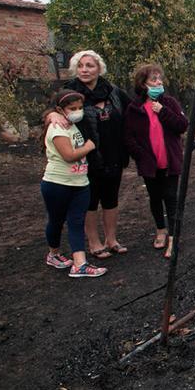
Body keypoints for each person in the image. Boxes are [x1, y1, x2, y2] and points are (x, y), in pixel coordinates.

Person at [46, 50, 131, 259]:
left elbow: (133, 110)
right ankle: (94, 242)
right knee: (90, 201)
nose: (85, 69)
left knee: (111, 199)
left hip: (113, 154)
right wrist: (53, 113)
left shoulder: (113, 91)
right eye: (81, 65)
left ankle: (112, 240)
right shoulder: (69, 92)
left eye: (90, 65)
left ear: (99, 68)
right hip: (85, 156)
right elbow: (50, 111)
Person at [41, 90, 108, 278]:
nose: (77, 111)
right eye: (72, 108)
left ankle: (80, 264)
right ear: (60, 110)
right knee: (56, 220)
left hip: (80, 182)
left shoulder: (75, 126)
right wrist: (88, 146)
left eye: (79, 108)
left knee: (77, 221)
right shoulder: (57, 127)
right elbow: (69, 156)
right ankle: (53, 254)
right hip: (57, 183)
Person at [124, 64, 188, 258]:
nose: (159, 83)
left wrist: (163, 111)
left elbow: (182, 125)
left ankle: (173, 239)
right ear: (143, 84)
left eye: (160, 79)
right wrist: (140, 155)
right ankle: (160, 229)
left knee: (171, 197)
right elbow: (128, 136)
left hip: (170, 160)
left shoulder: (169, 103)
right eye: (154, 80)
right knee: (155, 197)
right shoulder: (134, 108)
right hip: (150, 164)